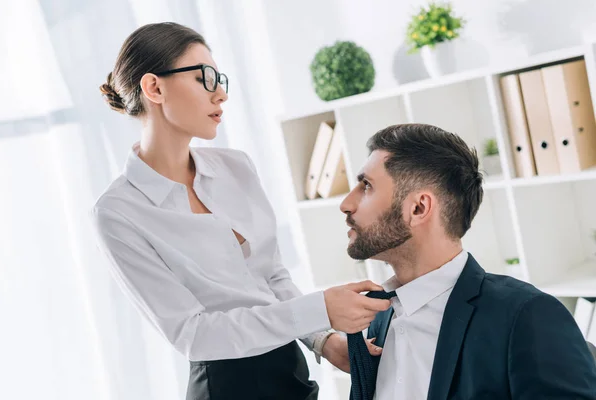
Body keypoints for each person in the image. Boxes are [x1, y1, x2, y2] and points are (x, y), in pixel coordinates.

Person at [92, 22, 390, 400]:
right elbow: (195, 336)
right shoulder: (118, 213)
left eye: (221, 80)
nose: (220, 94)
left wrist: (322, 340)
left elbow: (272, 278)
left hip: (292, 377)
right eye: (206, 78)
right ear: (154, 87)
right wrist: (319, 310)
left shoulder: (237, 168)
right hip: (226, 389)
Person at [328, 123, 596, 399]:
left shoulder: (526, 315)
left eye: (367, 186)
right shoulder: (377, 315)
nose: (346, 203)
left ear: (419, 208)